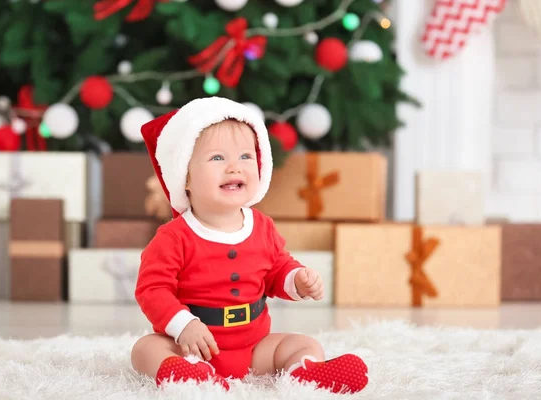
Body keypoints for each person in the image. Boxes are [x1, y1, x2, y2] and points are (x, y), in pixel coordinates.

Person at [130, 97, 369, 394]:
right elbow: (152, 290)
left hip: (254, 347)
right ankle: (191, 376)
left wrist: (296, 279)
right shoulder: (174, 237)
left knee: (304, 344)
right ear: (185, 177)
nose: (235, 168)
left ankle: (303, 372)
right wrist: (183, 326)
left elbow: (276, 268)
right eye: (217, 158)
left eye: (245, 157)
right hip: (192, 347)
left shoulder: (262, 226)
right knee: (145, 349)